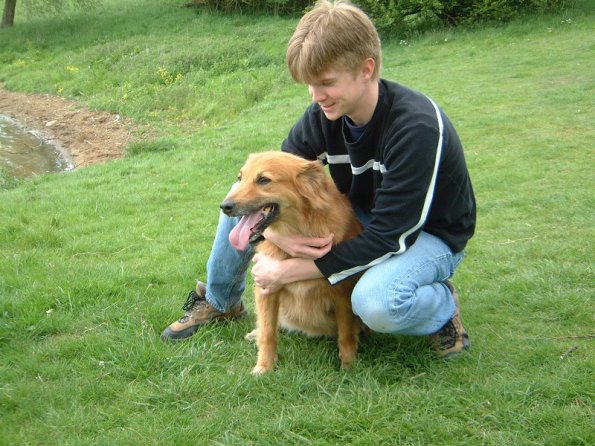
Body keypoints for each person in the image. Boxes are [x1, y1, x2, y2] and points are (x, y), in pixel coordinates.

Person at [161, 0, 476, 359]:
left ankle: (441, 305)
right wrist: (278, 234)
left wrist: (293, 268)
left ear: (366, 69)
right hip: (360, 218)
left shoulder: (415, 127)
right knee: (240, 200)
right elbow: (274, 188)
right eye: (310, 85)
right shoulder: (323, 114)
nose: (316, 96)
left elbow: (392, 235)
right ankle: (222, 302)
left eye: (326, 83)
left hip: (425, 234)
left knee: (376, 303)